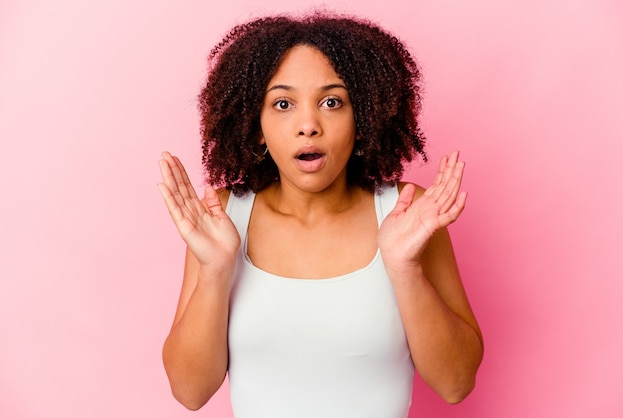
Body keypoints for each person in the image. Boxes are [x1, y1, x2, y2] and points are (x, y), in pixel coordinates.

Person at [157, 12, 483, 418]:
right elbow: (190, 392)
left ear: (362, 119)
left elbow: (456, 384)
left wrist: (404, 268)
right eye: (282, 103)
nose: (308, 125)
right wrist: (216, 270)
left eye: (332, 102)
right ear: (256, 126)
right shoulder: (223, 217)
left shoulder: (408, 213)